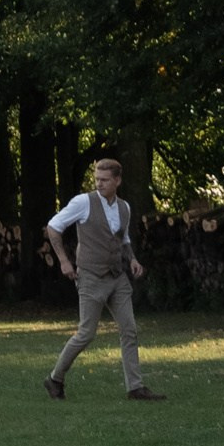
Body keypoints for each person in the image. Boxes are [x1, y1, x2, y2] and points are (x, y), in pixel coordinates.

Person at [43, 156, 163, 401]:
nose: (99, 184)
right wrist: (65, 261)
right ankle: (55, 378)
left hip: (117, 277)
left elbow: (123, 239)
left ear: (117, 181)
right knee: (86, 333)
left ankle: (135, 387)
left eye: (105, 180)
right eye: (96, 179)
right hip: (90, 276)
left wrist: (132, 260)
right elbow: (53, 227)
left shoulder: (124, 208)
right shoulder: (83, 203)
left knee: (129, 329)